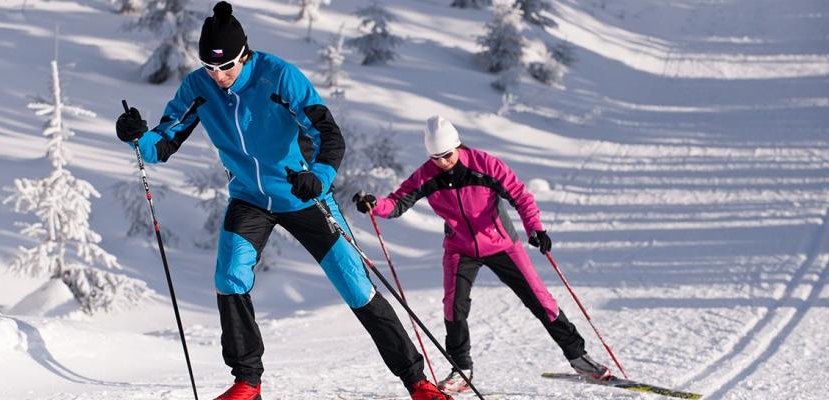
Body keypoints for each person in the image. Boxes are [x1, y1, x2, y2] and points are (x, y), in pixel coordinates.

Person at [115, 3, 452, 399]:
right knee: (229, 277)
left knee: (356, 287)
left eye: (227, 68)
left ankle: (417, 382)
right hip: (249, 198)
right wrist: (137, 135)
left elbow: (329, 134)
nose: (219, 77)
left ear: (245, 55)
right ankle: (247, 383)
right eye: (210, 68)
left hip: (302, 195)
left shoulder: (279, 77)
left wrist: (320, 176)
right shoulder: (198, 88)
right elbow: (163, 143)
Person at [352, 116, 611, 394]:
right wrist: (374, 205)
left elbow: (520, 196)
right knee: (454, 306)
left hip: (501, 244)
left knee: (540, 300)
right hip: (460, 248)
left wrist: (535, 228)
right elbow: (398, 202)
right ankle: (461, 368)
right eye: (435, 157)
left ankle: (578, 357)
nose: (442, 162)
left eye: (447, 155)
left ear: (457, 146)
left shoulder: (485, 165)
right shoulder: (427, 175)